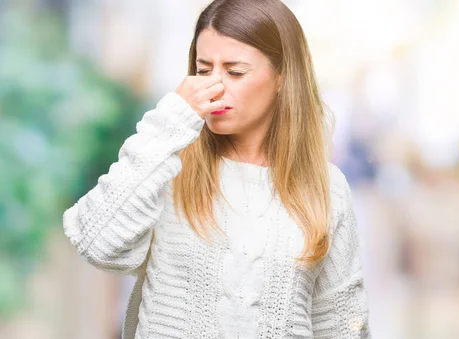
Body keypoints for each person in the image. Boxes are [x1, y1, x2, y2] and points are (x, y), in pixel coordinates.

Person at [62, 0, 371, 338]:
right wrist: (172, 120)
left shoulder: (327, 187)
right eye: (203, 69)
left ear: (283, 76)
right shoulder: (165, 164)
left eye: (235, 71)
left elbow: (341, 324)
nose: (214, 86)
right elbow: (98, 244)